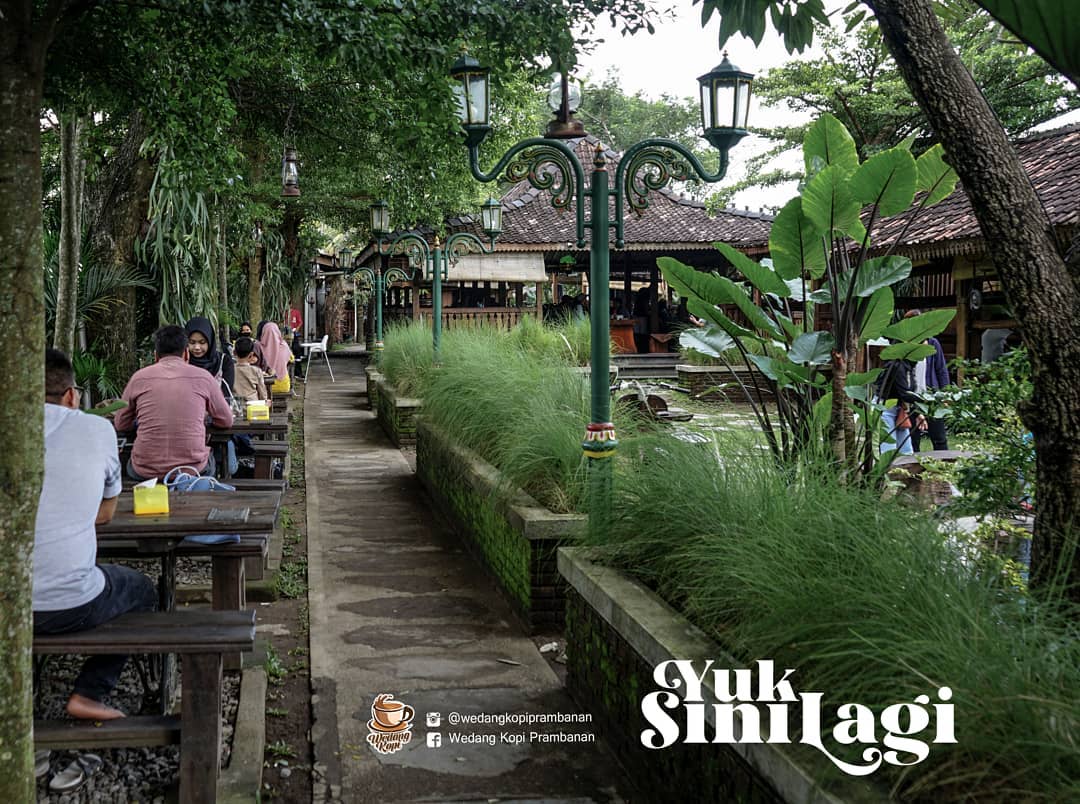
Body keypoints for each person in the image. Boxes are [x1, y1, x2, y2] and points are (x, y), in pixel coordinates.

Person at [34, 349, 157, 721]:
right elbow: (105, 513)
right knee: (143, 590)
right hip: (70, 602)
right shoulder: (97, 428)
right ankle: (90, 691)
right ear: (73, 395)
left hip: (10, 603)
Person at [114, 324, 234, 480]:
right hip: (193, 469)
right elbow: (226, 420)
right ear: (186, 353)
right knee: (212, 460)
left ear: (156, 355)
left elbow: (121, 423)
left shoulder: (139, 378)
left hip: (144, 470)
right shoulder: (204, 377)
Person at [904, 309, 950, 451]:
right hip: (911, 397)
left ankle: (944, 468)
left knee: (939, 437)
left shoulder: (933, 343)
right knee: (913, 438)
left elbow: (941, 370)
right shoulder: (904, 345)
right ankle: (914, 470)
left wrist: (945, 394)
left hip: (931, 396)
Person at [877, 357, 924, 455]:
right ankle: (887, 470)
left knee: (906, 450)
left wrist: (917, 413)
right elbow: (905, 394)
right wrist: (928, 401)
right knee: (889, 449)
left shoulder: (910, 366)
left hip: (900, 409)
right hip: (885, 408)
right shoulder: (897, 365)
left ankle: (905, 470)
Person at [185, 316, 235, 397]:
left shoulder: (224, 362)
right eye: (192, 342)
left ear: (210, 341)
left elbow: (227, 396)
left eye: (202, 342)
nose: (197, 347)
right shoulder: (181, 363)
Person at [257, 320, 292, 393]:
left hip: (264, 386)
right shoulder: (284, 346)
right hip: (283, 385)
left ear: (263, 333)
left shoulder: (258, 347)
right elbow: (291, 359)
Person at [233, 336, 269, 402]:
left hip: (236, 405)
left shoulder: (230, 370)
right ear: (251, 354)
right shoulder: (256, 371)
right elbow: (262, 394)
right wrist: (265, 401)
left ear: (234, 353)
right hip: (253, 406)